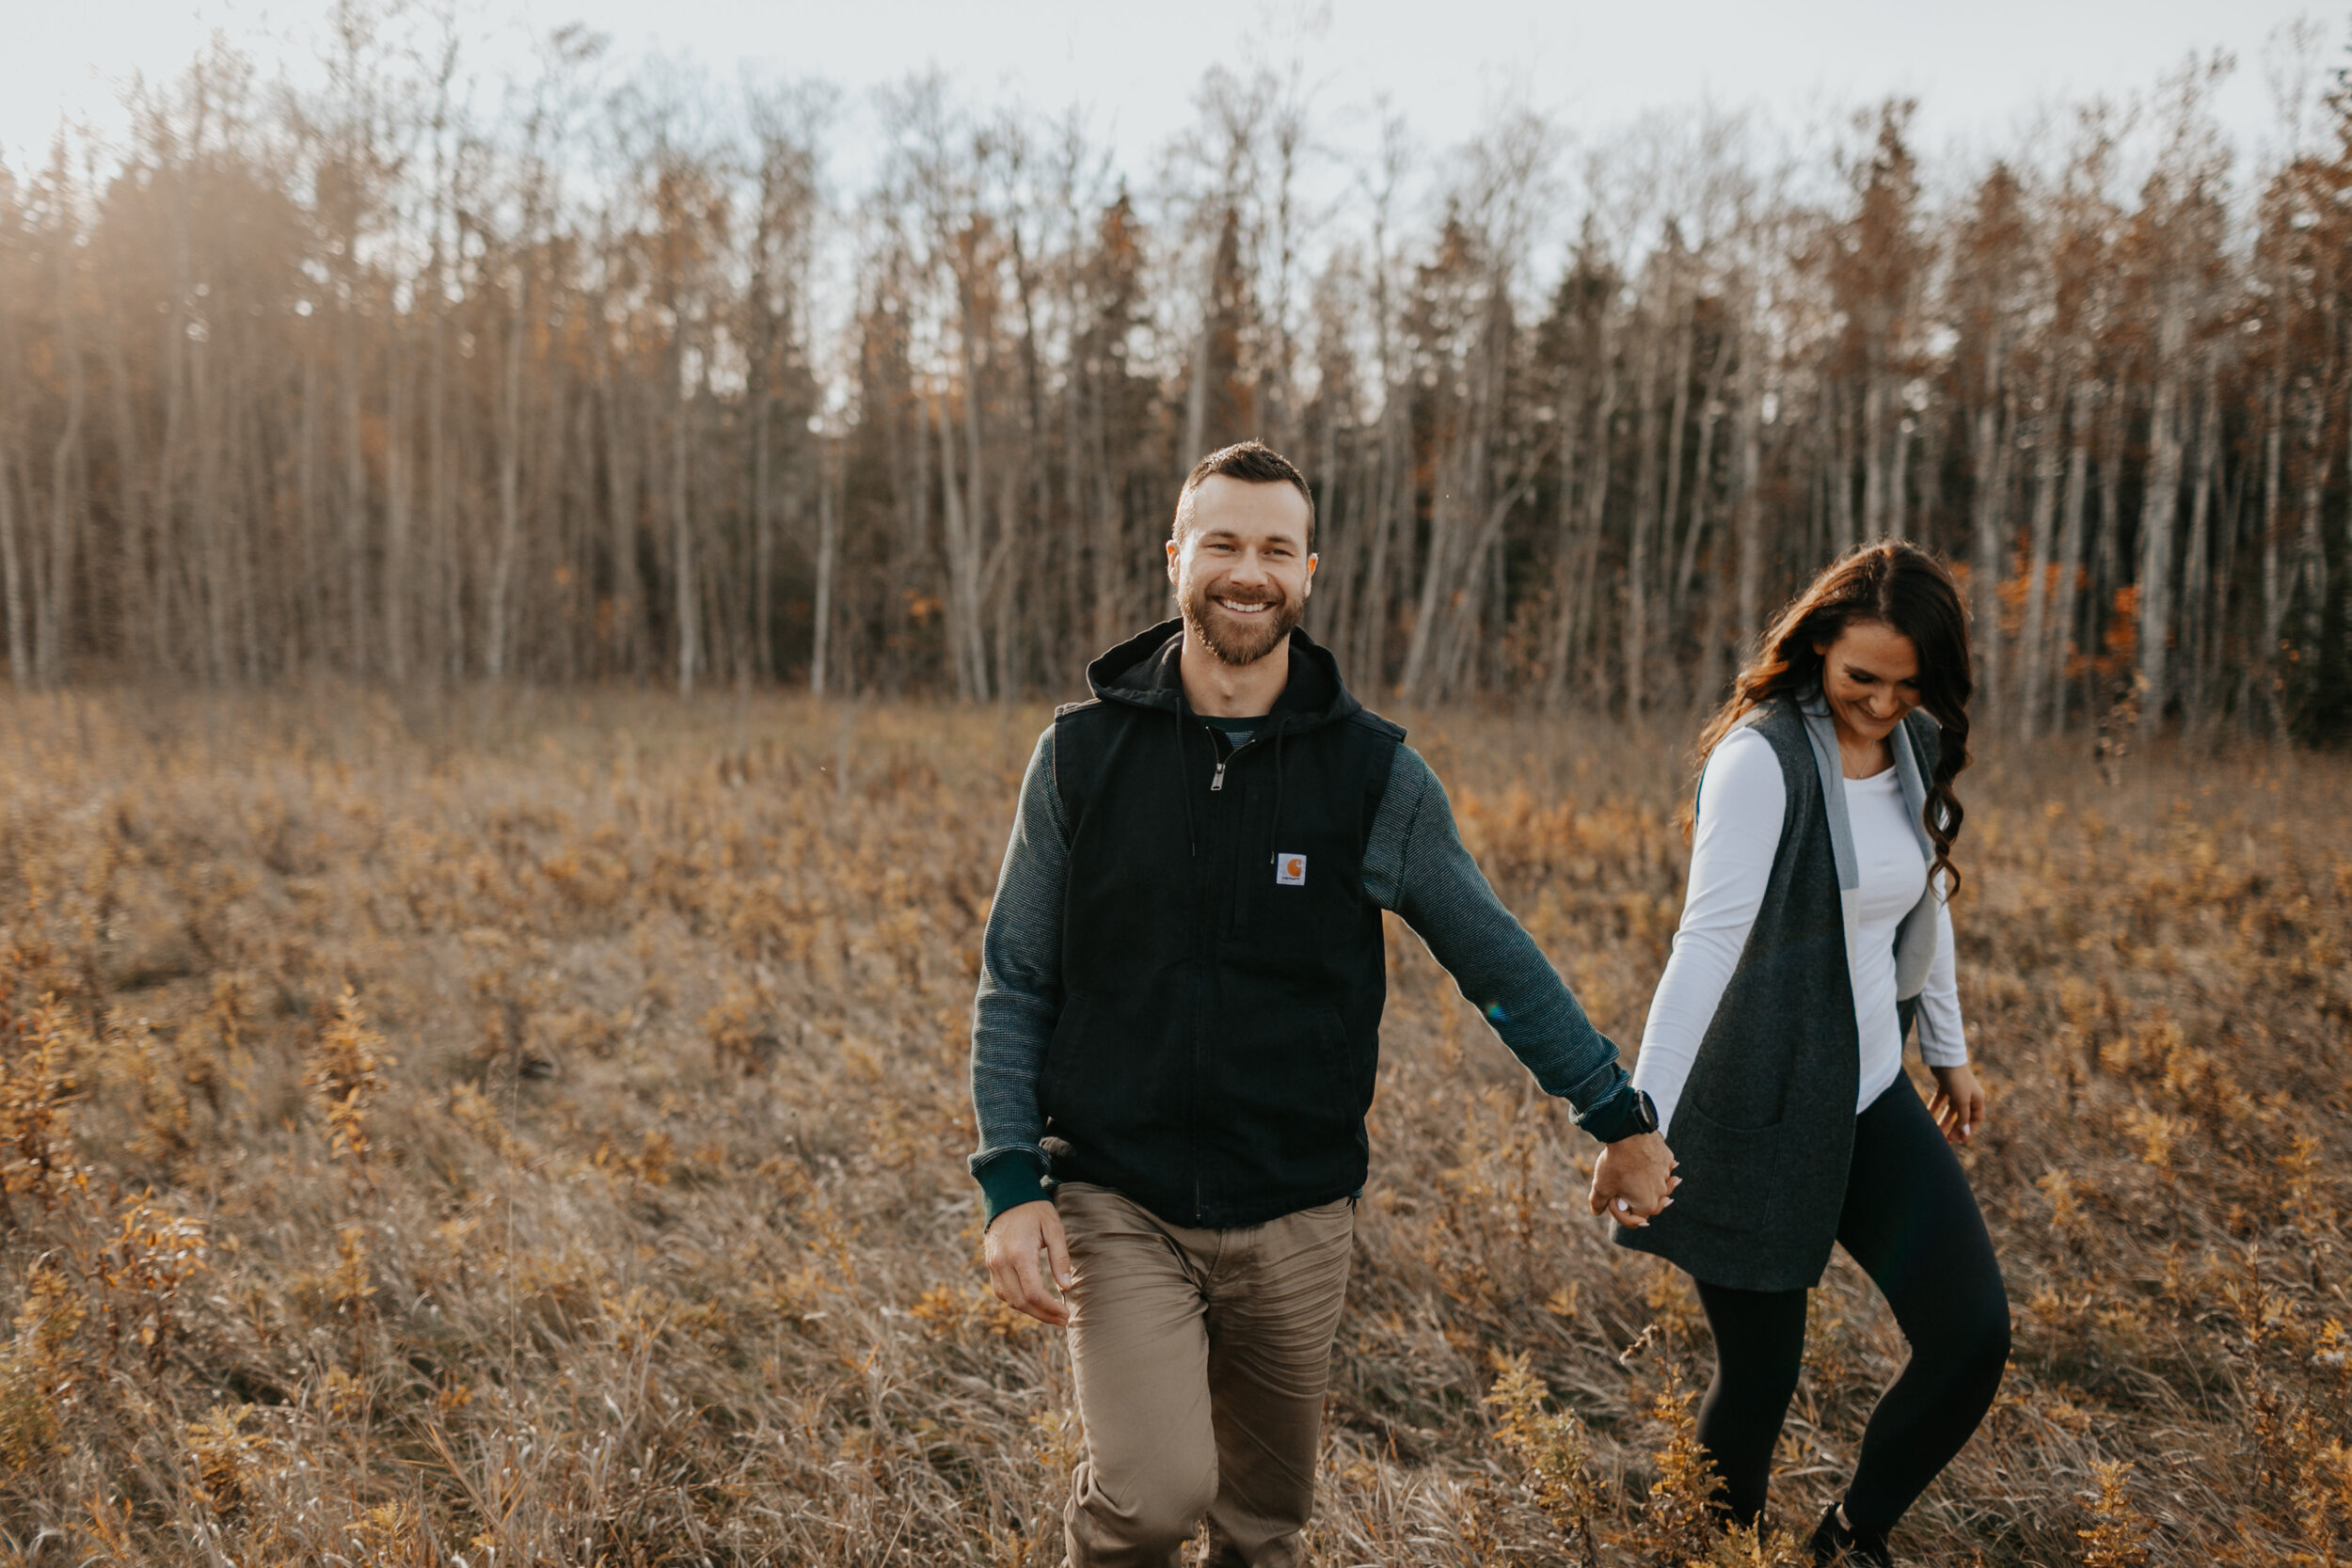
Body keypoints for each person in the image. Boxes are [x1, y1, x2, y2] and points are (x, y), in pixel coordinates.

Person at [968, 439, 1677, 1568]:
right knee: (1153, 1497)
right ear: (1175, 559)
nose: (1247, 571)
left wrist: (1616, 1114)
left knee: (1263, 1523)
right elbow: (1018, 979)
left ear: (1309, 571)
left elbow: (1495, 958)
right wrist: (1011, 1181)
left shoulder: (1374, 776)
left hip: (1297, 1213)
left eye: (1274, 549)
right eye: (1222, 543)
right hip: (1120, 1198)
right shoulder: (1080, 756)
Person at [1615, 541, 2011, 1567]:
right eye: (1860, 678)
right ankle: (1715, 1555)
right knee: (1758, 1381)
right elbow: (1702, 945)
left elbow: (1923, 894)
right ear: (1817, 648)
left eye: (1908, 683)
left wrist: (1949, 1050)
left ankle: (1848, 1536)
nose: (1881, 704)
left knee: (1971, 1335)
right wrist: (1635, 1121)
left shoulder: (1913, 745)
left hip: (1870, 1088)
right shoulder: (1761, 758)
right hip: (1755, 1101)